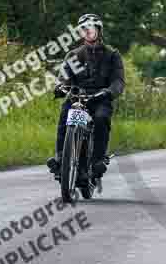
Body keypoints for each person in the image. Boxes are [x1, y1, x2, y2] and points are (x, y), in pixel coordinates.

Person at [46, 14, 125, 181]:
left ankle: (97, 160)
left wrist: (109, 92)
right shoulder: (73, 55)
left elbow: (118, 81)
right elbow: (64, 77)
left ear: (98, 31)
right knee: (65, 113)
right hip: (77, 97)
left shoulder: (112, 55)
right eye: (84, 29)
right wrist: (60, 87)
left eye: (91, 29)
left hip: (100, 98)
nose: (88, 32)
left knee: (101, 118)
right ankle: (60, 157)